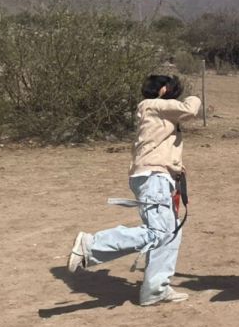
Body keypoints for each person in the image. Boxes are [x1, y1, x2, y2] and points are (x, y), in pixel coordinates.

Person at [66, 75, 202, 306]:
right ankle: (92, 244)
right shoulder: (154, 105)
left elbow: (158, 144)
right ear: (161, 90)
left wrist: (174, 167)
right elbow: (191, 109)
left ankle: (155, 289)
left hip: (157, 176)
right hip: (153, 177)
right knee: (158, 233)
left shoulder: (154, 111)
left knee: (170, 233)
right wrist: (194, 95)